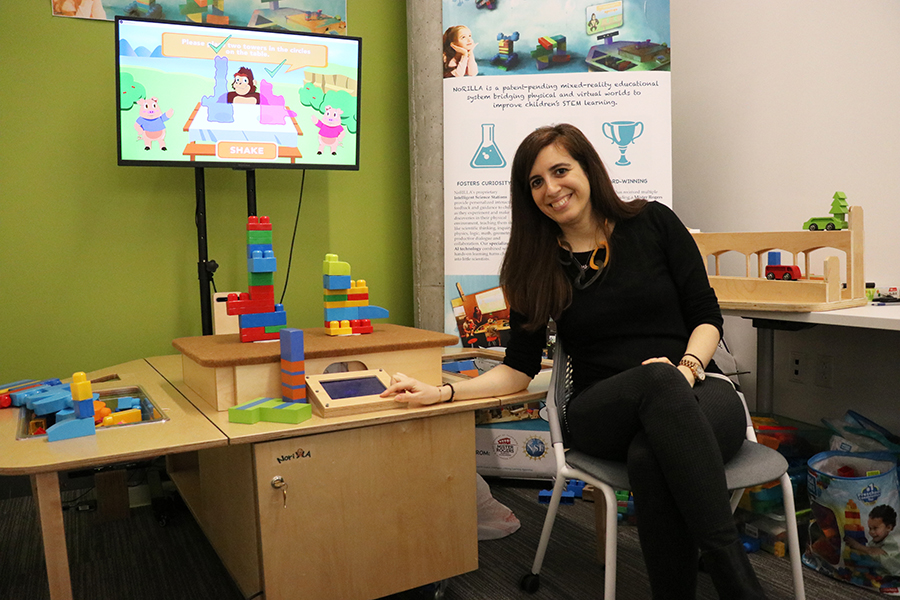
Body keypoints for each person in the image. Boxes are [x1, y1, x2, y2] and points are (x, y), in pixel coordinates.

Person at [381, 123, 767, 599]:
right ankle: (739, 585)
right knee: (656, 381)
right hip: (602, 408)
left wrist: (686, 369)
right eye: (536, 182)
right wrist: (443, 391)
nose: (551, 189)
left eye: (560, 170)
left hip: (695, 389)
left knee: (651, 451)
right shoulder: (532, 262)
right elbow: (519, 369)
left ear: (588, 168)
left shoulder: (655, 223)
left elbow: (706, 317)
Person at [845, 505, 900, 574]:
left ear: (888, 527)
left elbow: (874, 552)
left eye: (875, 528)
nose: (871, 532)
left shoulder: (892, 541)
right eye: (870, 528)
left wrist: (858, 546)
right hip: (881, 572)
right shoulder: (875, 541)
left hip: (895, 574)